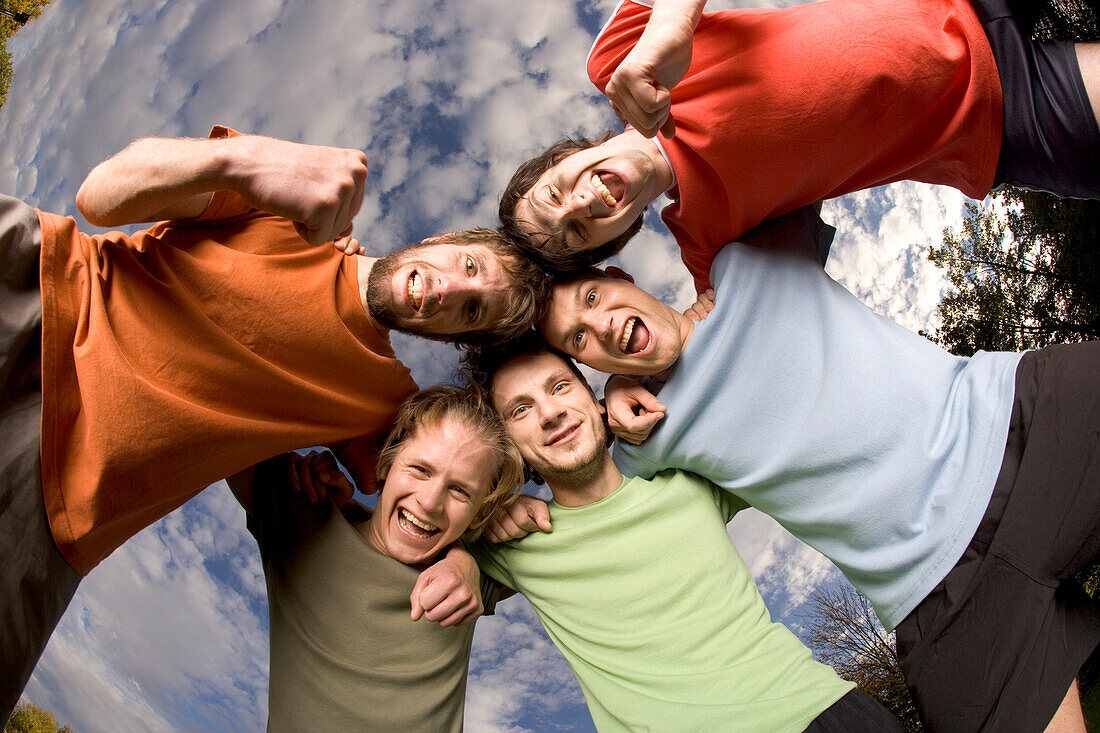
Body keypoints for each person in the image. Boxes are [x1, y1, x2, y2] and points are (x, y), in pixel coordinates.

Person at [0, 125, 550, 720]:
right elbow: (101, 196)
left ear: (455, 337)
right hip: (36, 290)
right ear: (440, 238)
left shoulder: (384, 404)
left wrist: (480, 548)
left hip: (63, 498)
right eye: (468, 264)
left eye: (472, 312)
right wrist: (241, 160)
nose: (450, 290)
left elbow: (456, 482)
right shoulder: (287, 209)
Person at [536, 205, 1100, 731]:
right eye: (578, 340)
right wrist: (611, 404)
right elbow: (583, 489)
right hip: (941, 597)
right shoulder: (647, 435)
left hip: (1019, 426)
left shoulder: (746, 263)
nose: (602, 326)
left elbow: (772, 140)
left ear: (620, 278)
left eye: (591, 299)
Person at [499, 0, 1100, 293]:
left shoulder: (619, 61)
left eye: (555, 193)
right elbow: (717, 336)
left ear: (561, 159)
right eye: (577, 234)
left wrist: (671, 27)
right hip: (1001, 117)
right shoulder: (710, 238)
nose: (578, 207)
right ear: (615, 240)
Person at [465, 335, 905, 732]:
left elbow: (758, 371)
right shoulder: (511, 544)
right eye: (520, 410)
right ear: (509, 447)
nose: (550, 413)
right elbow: (406, 514)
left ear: (596, 401)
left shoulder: (688, 479)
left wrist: (628, 378)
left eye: (560, 387)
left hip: (824, 712)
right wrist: (466, 549)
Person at [226, 385, 524, 730]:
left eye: (460, 490)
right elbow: (223, 403)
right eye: (421, 469)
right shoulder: (302, 519)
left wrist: (468, 556)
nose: (429, 502)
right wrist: (341, 444)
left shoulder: (472, 580)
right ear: (384, 464)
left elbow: (579, 526)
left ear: (476, 514)